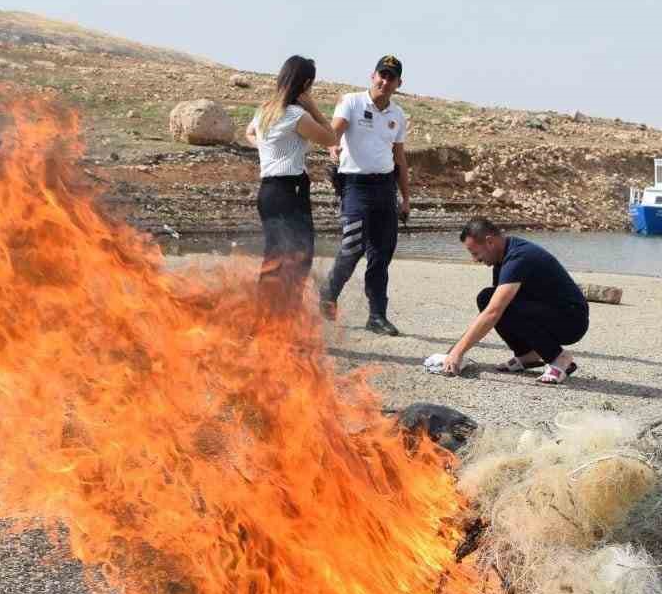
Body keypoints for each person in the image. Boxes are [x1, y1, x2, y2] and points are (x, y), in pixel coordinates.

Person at [433, 217, 588, 384]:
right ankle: (527, 355)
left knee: (500, 306)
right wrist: (454, 350)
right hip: (549, 311)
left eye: (475, 253)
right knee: (487, 297)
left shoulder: (518, 257)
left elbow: (493, 312)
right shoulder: (502, 257)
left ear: (490, 242)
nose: (475, 260)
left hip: (571, 320)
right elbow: (492, 309)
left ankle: (559, 358)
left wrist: (457, 352)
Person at [320, 54, 411, 336]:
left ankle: (377, 316)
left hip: (385, 188)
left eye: (391, 77)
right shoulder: (352, 102)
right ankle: (328, 295)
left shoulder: (397, 115)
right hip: (355, 186)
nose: (385, 81)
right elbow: (334, 133)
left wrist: (405, 197)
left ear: (398, 83)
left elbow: (400, 158)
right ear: (372, 76)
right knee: (352, 247)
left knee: (381, 255)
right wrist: (332, 147)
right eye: (381, 75)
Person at [243, 55, 337, 311]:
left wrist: (265, 149)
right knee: (299, 257)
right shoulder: (296, 115)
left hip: (268, 191)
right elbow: (331, 138)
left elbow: (248, 133)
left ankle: (264, 318)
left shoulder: (264, 110)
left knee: (274, 257)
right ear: (306, 84)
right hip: (290, 191)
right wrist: (314, 107)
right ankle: (286, 317)